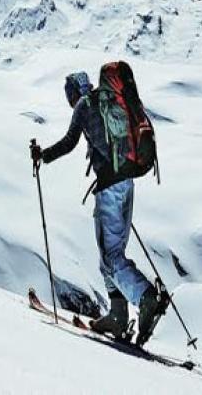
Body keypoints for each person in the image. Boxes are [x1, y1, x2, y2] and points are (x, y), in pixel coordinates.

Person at [31, 71, 167, 344]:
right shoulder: (105, 103)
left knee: (112, 257)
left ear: (72, 92)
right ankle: (116, 315)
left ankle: (146, 298)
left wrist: (43, 155)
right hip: (125, 184)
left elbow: (69, 143)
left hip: (110, 189)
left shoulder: (84, 106)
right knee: (108, 255)